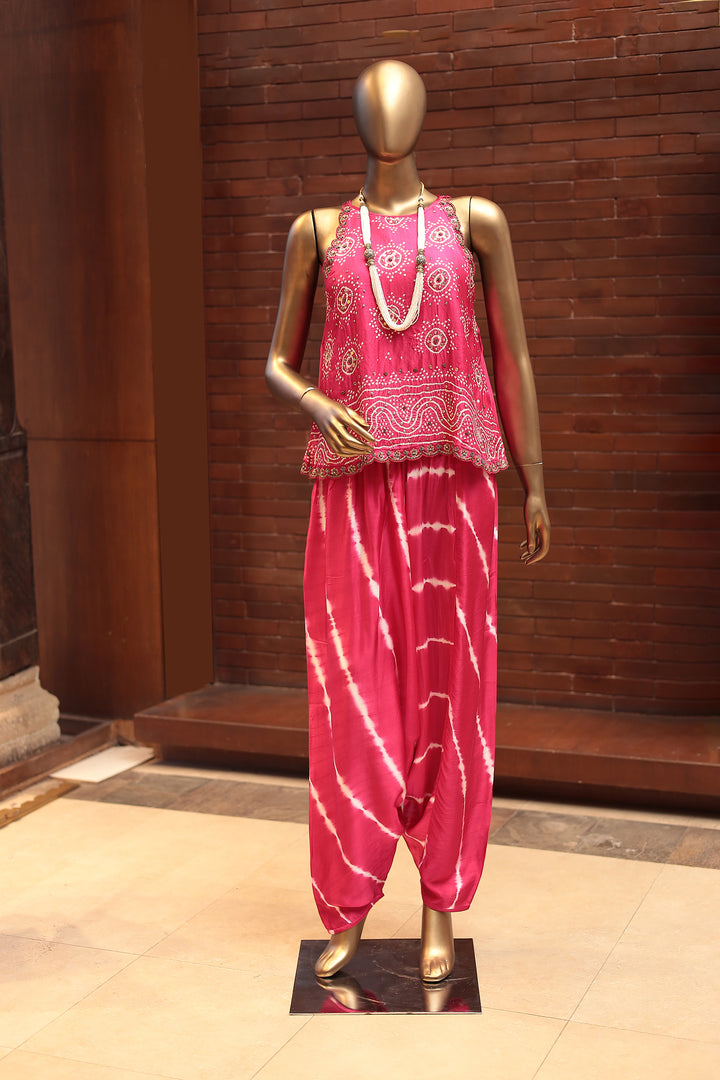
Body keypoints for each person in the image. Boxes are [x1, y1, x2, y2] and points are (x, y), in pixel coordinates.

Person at [265, 59, 550, 983]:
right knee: (351, 699)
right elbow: (277, 362)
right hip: (352, 491)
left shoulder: (474, 224)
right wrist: (317, 403)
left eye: (401, 103)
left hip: (454, 485)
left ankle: (439, 906)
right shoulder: (317, 232)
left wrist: (535, 481)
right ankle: (348, 902)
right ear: (357, 118)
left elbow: (512, 358)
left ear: (423, 116)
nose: (386, 117)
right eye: (372, 104)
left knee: (449, 698)